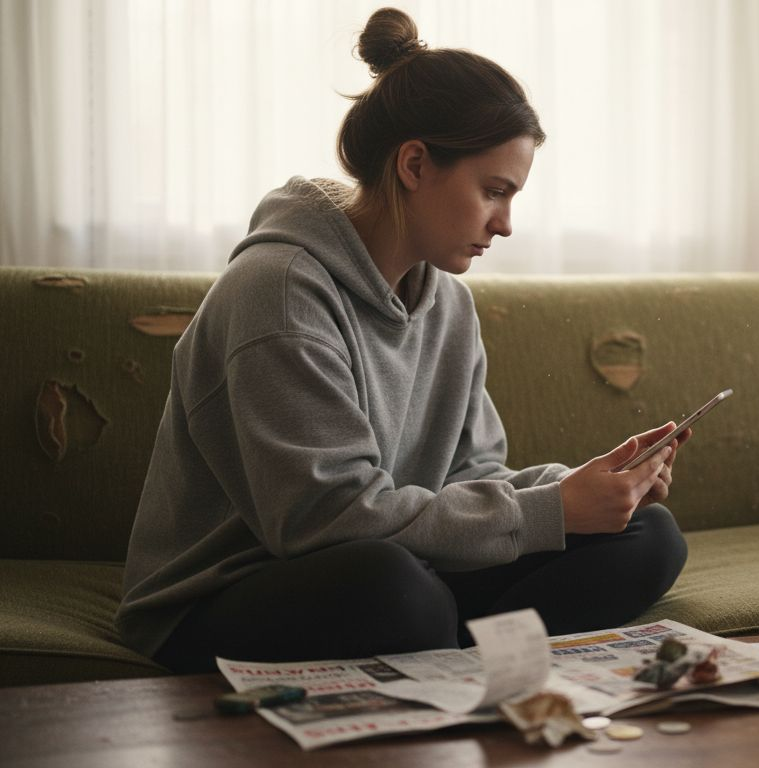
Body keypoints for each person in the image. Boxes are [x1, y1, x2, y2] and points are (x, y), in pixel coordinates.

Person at [116, 7, 688, 673]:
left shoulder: (449, 303)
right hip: (229, 591)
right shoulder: (277, 290)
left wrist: (585, 488)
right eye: (493, 191)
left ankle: (452, 661)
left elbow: (471, 476)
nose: (504, 225)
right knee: (395, 591)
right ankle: (453, 648)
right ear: (415, 164)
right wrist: (553, 510)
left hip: (401, 559)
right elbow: (324, 522)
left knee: (648, 536)